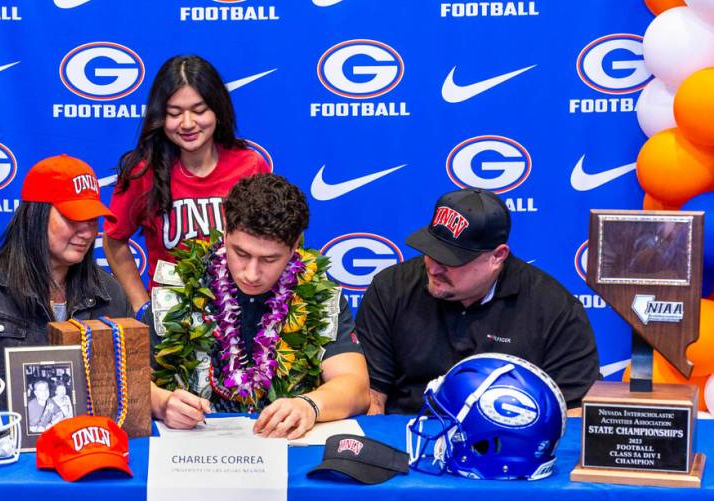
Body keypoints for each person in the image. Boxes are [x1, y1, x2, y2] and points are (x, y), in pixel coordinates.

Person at [147, 173, 369, 440]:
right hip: (194, 454)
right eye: (241, 254)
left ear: (295, 245)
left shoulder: (319, 292)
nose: (251, 274)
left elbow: (355, 385)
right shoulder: (181, 287)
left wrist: (310, 405)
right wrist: (162, 402)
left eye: (269, 259)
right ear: (226, 228)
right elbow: (128, 384)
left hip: (288, 451)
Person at [355, 187, 600, 414]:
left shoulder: (554, 308)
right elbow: (371, 396)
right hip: (407, 437)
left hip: (511, 446)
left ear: (498, 256)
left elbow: (574, 410)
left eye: (450, 259)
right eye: (430, 251)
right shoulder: (389, 289)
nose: (433, 268)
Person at [0, 155, 132, 382]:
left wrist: (163, 403)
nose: (87, 232)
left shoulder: (112, 294)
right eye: (73, 217)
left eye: (93, 219)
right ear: (36, 216)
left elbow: (131, 385)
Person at [103, 54, 271, 313]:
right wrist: (141, 305)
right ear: (160, 117)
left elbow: (272, 240)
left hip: (238, 315)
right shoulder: (142, 172)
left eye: (199, 110)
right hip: (172, 324)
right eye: (174, 113)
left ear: (218, 110)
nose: (188, 123)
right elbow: (113, 241)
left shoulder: (249, 165)